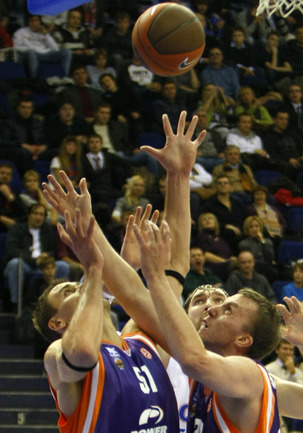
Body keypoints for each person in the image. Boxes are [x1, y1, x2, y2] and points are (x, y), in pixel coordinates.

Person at [37, 110, 207, 432]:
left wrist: (178, 176)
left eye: (76, 284)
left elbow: (174, 267)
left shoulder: (141, 343)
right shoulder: (57, 355)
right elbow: (83, 351)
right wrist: (95, 269)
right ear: (57, 323)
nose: (79, 286)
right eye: (68, 291)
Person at [134, 218, 303, 433]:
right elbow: (134, 299)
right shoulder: (171, 357)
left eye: (224, 305)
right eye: (199, 301)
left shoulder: (248, 376)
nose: (211, 307)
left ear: (243, 338)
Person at [4, 203, 70, 307]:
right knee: (15, 264)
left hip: (44, 264)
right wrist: (33, 260)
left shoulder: (48, 230)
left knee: (63, 266)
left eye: (41, 214)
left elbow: (53, 250)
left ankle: (61, 303)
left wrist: (46, 256)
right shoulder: (17, 229)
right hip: (26, 263)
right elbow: (12, 250)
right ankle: (16, 303)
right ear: (29, 215)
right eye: (35, 213)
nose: (38, 217)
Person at [13, 14, 72, 79]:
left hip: (46, 54)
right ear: (28, 22)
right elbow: (16, 47)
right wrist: (30, 49)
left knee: (67, 52)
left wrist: (46, 34)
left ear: (39, 22)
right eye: (31, 21)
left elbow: (55, 49)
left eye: (36, 20)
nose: (34, 23)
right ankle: (35, 79)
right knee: (31, 52)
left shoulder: (43, 31)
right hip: (30, 54)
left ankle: (64, 77)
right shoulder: (20, 32)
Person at [193, 212, 237, 281]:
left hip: (226, 267)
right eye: (204, 220)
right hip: (213, 267)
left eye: (210, 218)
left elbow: (229, 253)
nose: (207, 221)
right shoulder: (201, 237)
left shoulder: (221, 239)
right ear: (200, 225)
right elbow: (206, 255)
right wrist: (225, 262)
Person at [237, 215, 279, 283]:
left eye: (257, 226)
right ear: (247, 229)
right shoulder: (244, 244)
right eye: (251, 227)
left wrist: (262, 242)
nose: (254, 229)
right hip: (254, 268)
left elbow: (270, 257)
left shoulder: (267, 242)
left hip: (267, 267)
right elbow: (249, 260)